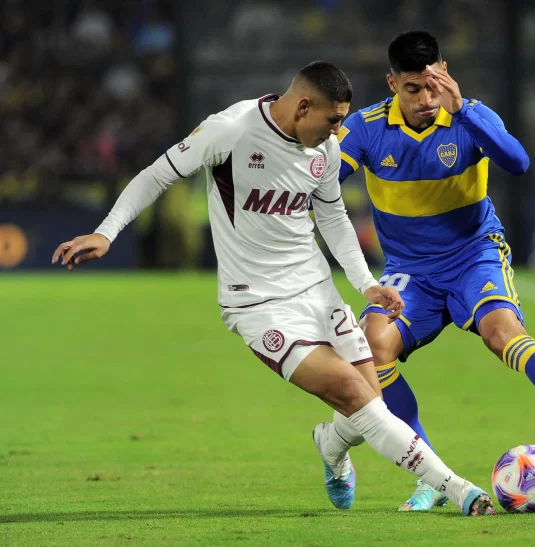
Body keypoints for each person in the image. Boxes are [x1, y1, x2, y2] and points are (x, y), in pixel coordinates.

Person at [51, 61, 496, 517]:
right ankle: (459, 489)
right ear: (302, 106)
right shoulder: (232, 130)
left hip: (317, 290)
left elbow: (333, 217)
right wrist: (106, 232)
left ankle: (330, 444)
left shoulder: (324, 148)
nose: (338, 132)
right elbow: (156, 174)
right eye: (332, 120)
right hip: (258, 303)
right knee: (354, 393)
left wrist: (366, 284)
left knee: (368, 405)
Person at [338, 31, 535, 511]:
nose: (426, 99)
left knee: (502, 334)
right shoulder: (367, 127)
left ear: (445, 73)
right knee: (374, 348)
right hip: (410, 270)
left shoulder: (470, 115)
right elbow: (321, 182)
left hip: (473, 254)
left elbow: (518, 163)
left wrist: (463, 112)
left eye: (433, 85)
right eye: (413, 89)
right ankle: (430, 476)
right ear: (392, 84)